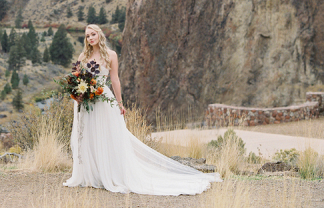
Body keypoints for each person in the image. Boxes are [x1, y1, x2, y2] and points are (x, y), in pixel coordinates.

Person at [63, 24, 221, 195]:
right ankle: (90, 175)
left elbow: (115, 79)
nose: (90, 38)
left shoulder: (111, 55)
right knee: (88, 135)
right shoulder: (83, 56)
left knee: (107, 136)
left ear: (100, 35)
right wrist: (76, 93)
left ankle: (109, 175)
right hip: (86, 101)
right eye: (87, 36)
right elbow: (76, 78)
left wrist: (120, 102)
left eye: (93, 34)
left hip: (102, 98)